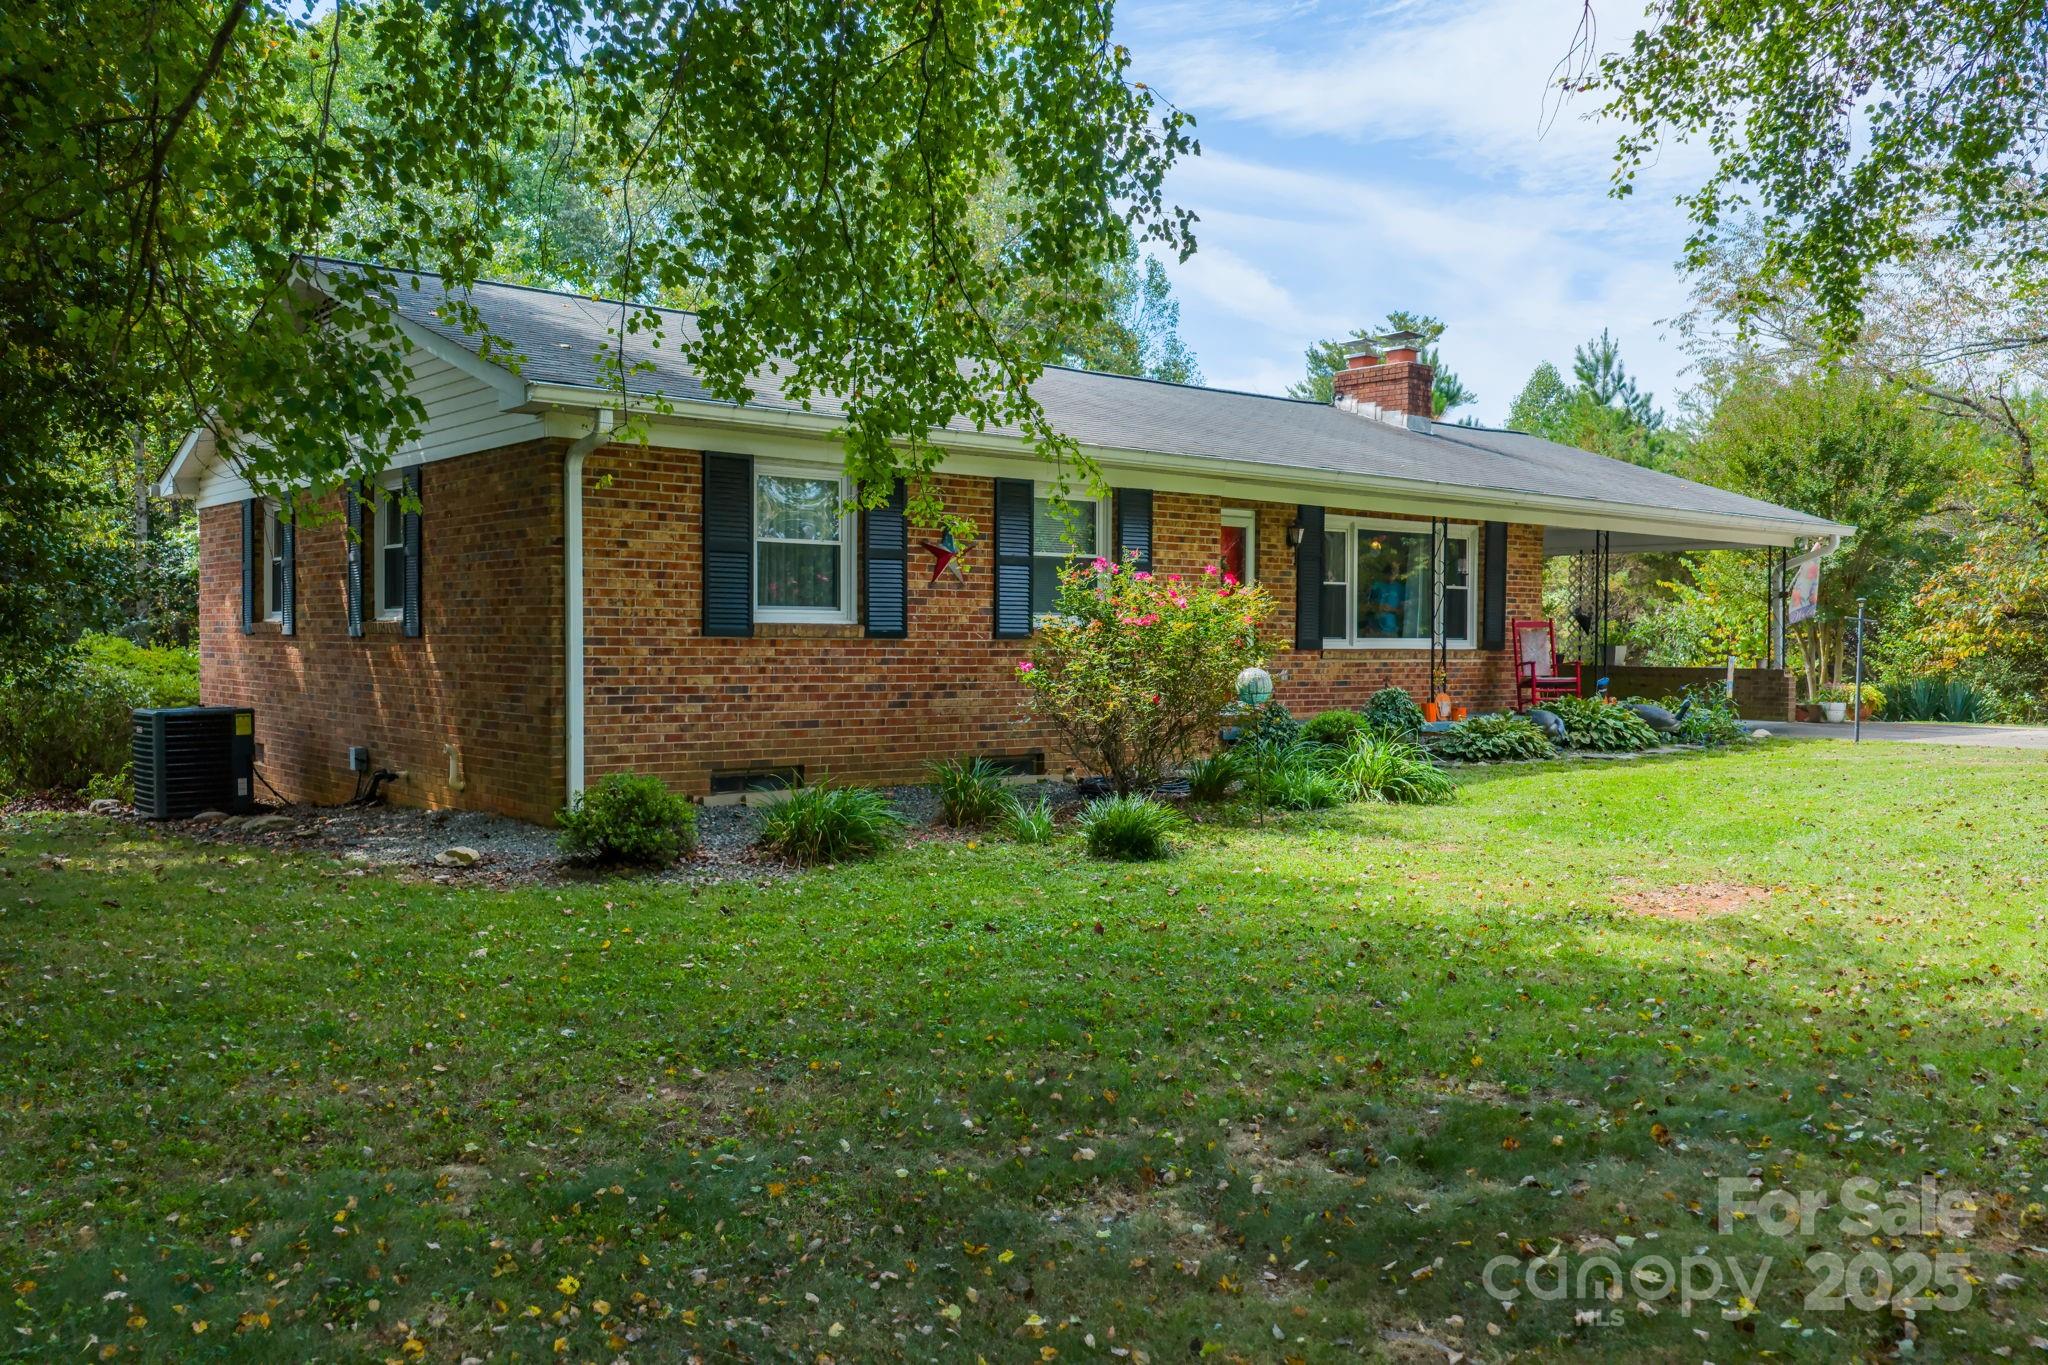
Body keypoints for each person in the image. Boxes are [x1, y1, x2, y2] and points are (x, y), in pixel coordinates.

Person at [1367, 565, 1404, 636]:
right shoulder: (1376, 586)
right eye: (1389, 573)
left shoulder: (1399, 588)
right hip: (1375, 628)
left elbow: (1403, 612)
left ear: (1397, 574)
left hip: (1392, 629)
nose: (1391, 576)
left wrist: (1392, 609)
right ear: (1385, 573)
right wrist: (1377, 607)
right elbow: (1368, 605)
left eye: (1394, 574)